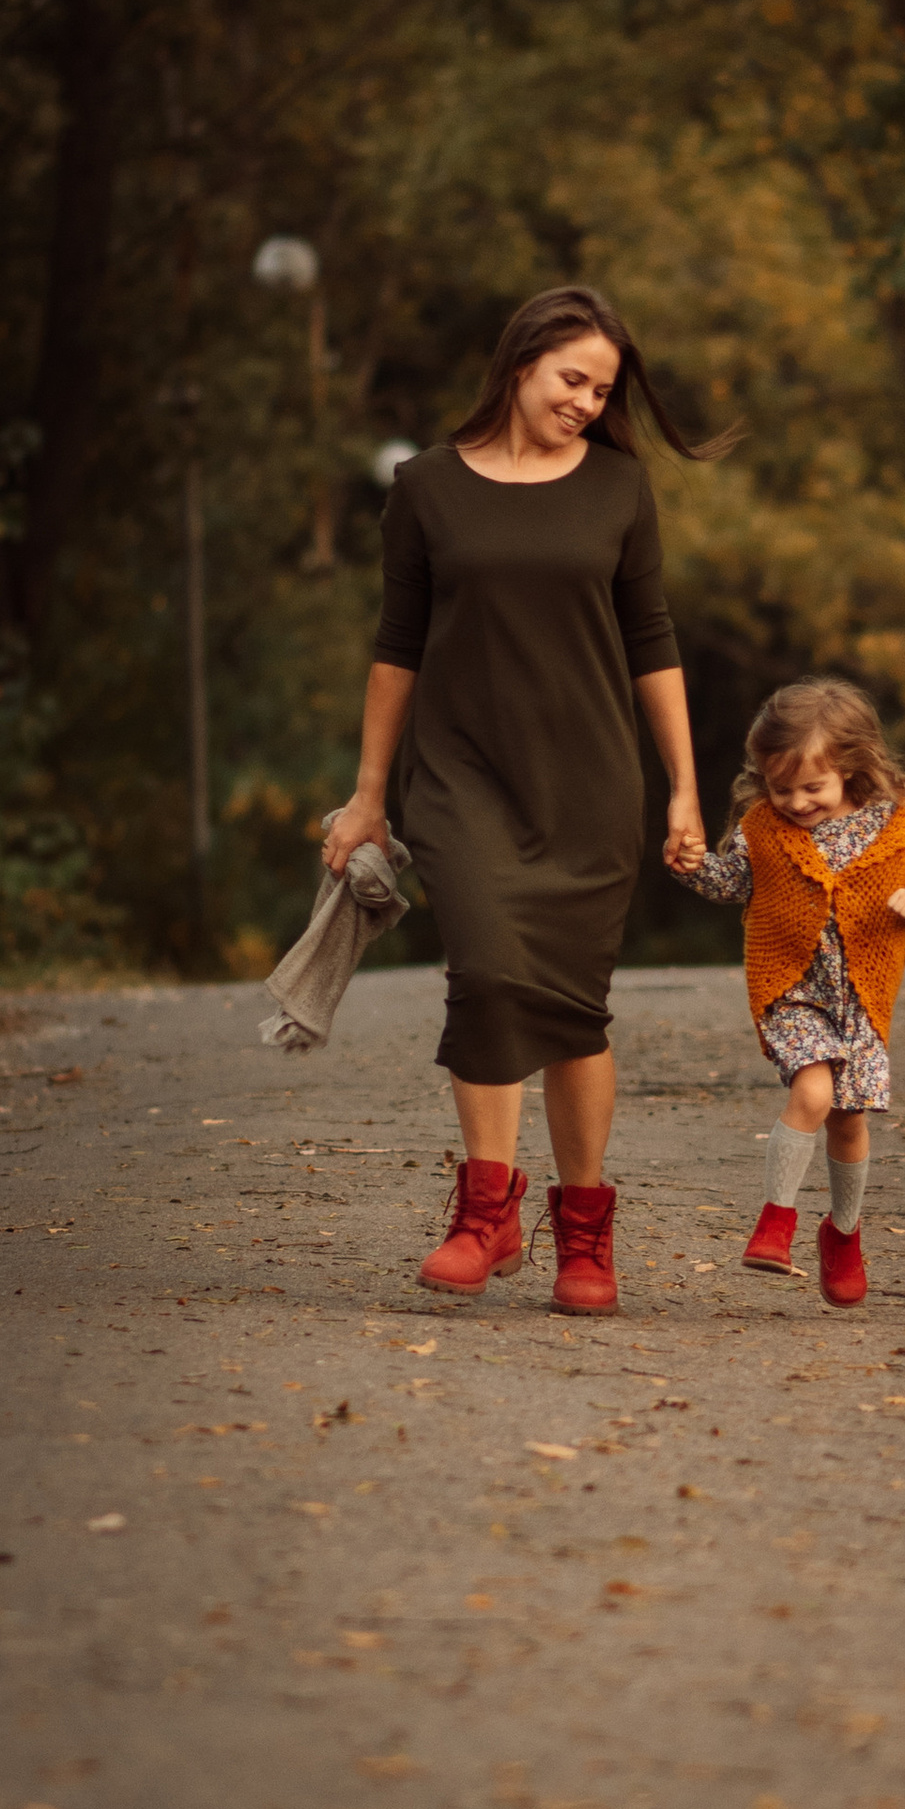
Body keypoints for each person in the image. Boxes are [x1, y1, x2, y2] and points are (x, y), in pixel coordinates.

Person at [323, 285, 722, 1313]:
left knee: (572, 1014)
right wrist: (368, 797)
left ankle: (584, 1235)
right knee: (490, 971)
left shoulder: (620, 491)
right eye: (573, 379)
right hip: (460, 778)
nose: (589, 401)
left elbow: (651, 643)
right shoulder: (426, 487)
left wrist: (683, 789)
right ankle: (484, 1210)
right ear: (518, 367)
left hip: (588, 782)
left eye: (603, 389)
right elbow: (395, 648)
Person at [673, 677, 905, 1309]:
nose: (797, 802)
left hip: (859, 1000)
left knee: (848, 1119)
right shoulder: (764, 829)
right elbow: (733, 886)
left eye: (813, 787)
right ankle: (776, 1222)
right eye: (782, 789)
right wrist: (696, 868)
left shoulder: (895, 829)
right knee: (813, 1089)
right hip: (792, 989)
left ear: (851, 771)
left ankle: (844, 1235)